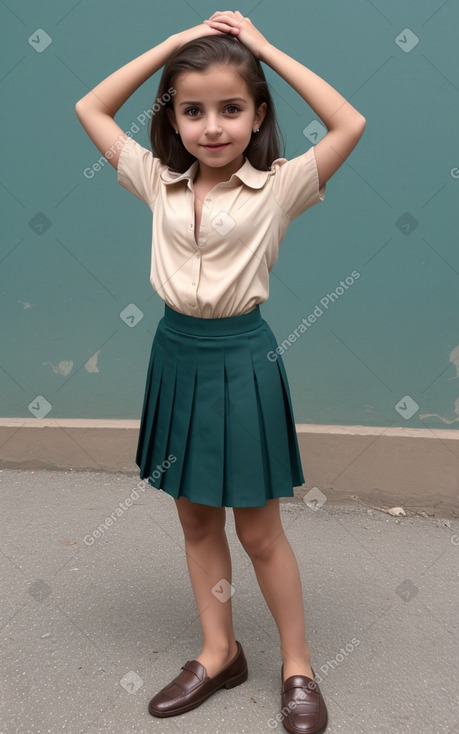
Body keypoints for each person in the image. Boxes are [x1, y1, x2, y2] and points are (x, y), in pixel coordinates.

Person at [75, 10, 365, 734]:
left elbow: (348, 123)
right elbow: (91, 106)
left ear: (257, 113)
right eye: (192, 110)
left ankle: (296, 667)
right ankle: (219, 651)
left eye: (231, 109)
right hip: (175, 356)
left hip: (242, 359)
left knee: (259, 531)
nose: (211, 126)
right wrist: (173, 47)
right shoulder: (154, 180)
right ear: (171, 120)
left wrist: (262, 49)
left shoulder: (280, 187)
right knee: (195, 516)